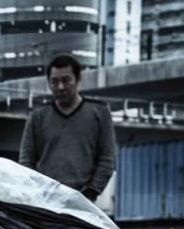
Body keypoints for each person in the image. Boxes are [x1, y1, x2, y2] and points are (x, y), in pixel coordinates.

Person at [18, 53, 116, 203]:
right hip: (45, 200)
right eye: (54, 82)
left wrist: (91, 192)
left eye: (66, 80)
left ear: (78, 80)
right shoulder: (37, 116)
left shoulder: (100, 113)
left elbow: (107, 158)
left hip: (84, 201)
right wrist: (37, 191)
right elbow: (26, 160)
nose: (60, 87)